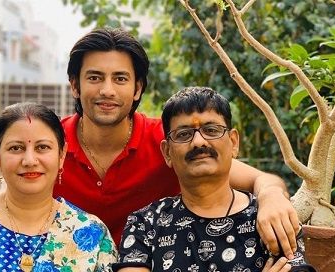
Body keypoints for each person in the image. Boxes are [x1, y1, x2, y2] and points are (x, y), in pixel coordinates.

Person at [0, 28, 299, 258]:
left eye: (120, 78)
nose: (107, 90)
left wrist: (272, 199)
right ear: (74, 85)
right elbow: (7, 191)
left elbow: (260, 179)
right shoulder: (47, 145)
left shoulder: (168, 142)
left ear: (137, 89)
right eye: (94, 77)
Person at [112, 87, 315, 272]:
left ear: (233, 142)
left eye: (211, 130)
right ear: (167, 152)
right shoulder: (146, 224)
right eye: (184, 134)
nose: (198, 142)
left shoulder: (269, 219)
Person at [0, 103, 117, 271]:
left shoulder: (92, 232)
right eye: (16, 148)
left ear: (61, 155)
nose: (30, 160)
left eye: (42, 147)